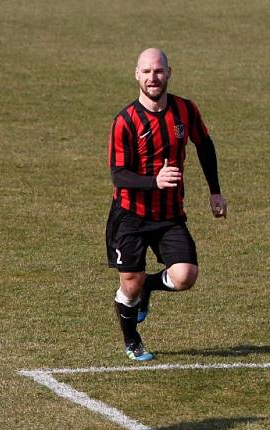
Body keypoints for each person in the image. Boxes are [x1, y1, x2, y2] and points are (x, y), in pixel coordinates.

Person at [106, 48, 227, 361]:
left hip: (170, 214)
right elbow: (119, 175)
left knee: (185, 276)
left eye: (158, 71)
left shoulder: (185, 110)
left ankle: (149, 287)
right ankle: (132, 339)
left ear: (169, 73)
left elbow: (205, 144)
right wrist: (153, 182)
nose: (152, 78)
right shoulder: (125, 121)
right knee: (128, 288)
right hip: (130, 215)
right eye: (146, 72)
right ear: (136, 75)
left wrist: (215, 191)